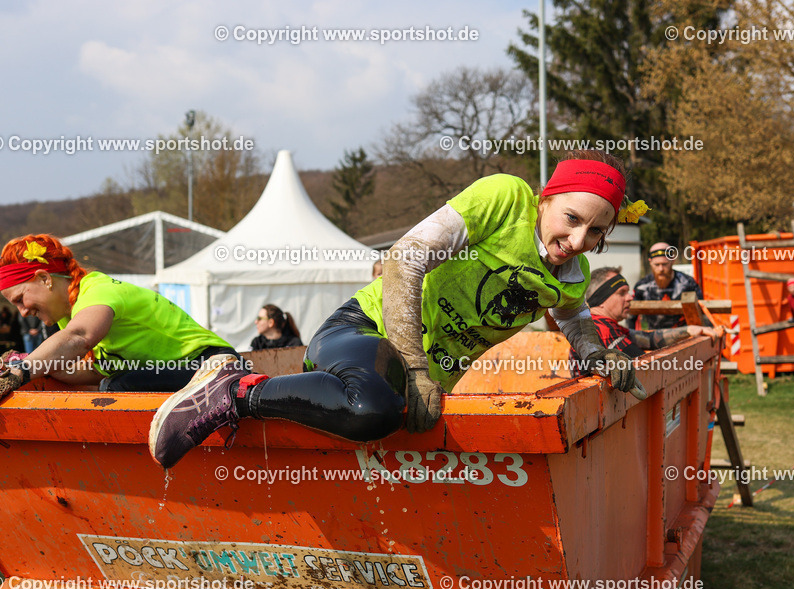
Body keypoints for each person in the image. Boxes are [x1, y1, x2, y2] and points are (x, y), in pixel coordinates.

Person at [149, 150, 644, 468]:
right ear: (547, 198)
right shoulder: (507, 199)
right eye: (572, 219)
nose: (578, 241)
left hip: (420, 385)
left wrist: (601, 358)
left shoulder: (571, 275)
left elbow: (577, 317)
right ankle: (234, 390)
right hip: (364, 335)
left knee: (387, 425)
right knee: (374, 409)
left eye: (597, 232)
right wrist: (414, 366)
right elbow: (405, 260)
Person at [0, 234, 237, 421]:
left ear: (45, 278)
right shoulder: (67, 315)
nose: (23, 312)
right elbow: (94, 370)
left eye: (21, 299)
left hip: (212, 364)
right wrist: (25, 365)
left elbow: (80, 337)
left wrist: (19, 373)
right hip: (178, 373)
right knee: (115, 383)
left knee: (119, 387)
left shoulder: (97, 291)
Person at [571, 267, 721, 373]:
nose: (630, 297)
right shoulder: (602, 330)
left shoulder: (602, 325)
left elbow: (649, 339)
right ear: (601, 299)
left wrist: (689, 330)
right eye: (622, 293)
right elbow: (647, 366)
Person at [630, 242, 703, 330]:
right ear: (650, 262)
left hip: (684, 336)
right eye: (657, 265)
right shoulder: (642, 286)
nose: (661, 269)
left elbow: (701, 313)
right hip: (652, 338)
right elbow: (630, 317)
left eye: (664, 264)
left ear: (672, 261)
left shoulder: (688, 283)